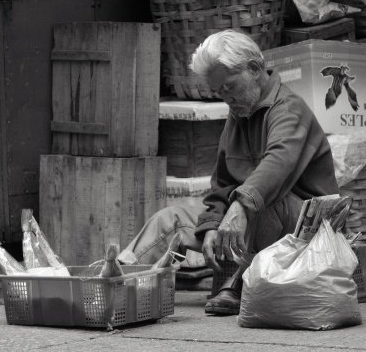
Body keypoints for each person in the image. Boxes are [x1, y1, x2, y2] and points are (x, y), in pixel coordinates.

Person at [118, 29, 339, 315]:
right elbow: (222, 183)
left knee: (259, 200)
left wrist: (239, 206)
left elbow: (276, 166)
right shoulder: (238, 113)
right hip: (254, 223)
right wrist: (211, 224)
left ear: (255, 69)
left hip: (305, 232)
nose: (226, 98)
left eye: (229, 87)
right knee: (170, 220)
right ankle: (118, 284)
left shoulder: (289, 109)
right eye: (219, 91)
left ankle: (237, 283)